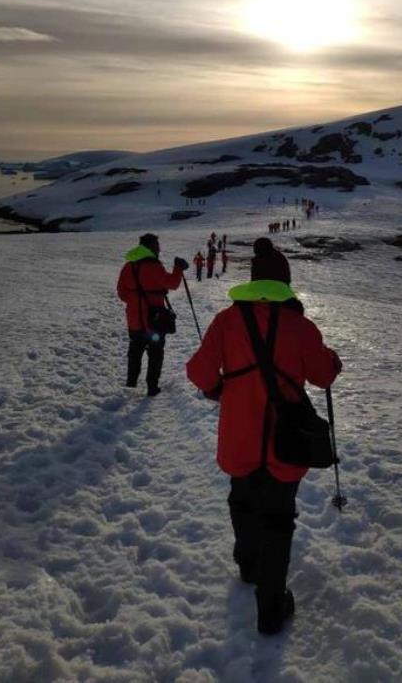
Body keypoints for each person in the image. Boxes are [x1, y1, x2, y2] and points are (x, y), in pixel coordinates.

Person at [186, 241, 341, 636]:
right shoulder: (300, 326)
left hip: (238, 440)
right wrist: (333, 359)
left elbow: (200, 373)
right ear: (284, 282)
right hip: (284, 444)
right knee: (277, 518)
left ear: (254, 281)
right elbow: (323, 375)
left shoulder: (226, 321)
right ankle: (271, 608)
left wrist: (221, 388)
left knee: (242, 499)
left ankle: (248, 566)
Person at [116, 233, 188, 396]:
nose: (159, 249)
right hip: (154, 321)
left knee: (135, 348)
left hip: (134, 319)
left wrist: (135, 301)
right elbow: (173, 283)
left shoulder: (129, 266)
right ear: (151, 247)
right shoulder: (154, 266)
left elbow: (121, 293)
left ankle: (131, 381)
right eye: (157, 245)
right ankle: (152, 387)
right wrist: (178, 268)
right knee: (155, 353)